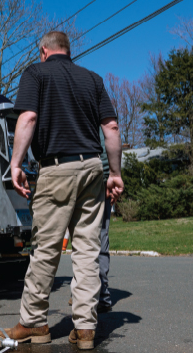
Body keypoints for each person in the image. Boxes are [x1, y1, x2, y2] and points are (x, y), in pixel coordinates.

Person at [3, 31, 123, 350]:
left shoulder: (36, 72)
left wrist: (15, 163)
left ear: (43, 51)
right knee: (86, 249)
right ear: (67, 51)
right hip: (91, 168)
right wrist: (115, 172)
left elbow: (27, 116)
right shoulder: (92, 78)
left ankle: (34, 323)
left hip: (56, 169)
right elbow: (111, 127)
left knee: (46, 247)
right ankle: (85, 328)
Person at [68, 128, 114, 313]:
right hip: (100, 173)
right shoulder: (100, 102)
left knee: (82, 237)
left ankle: (92, 295)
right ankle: (99, 294)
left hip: (79, 173)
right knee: (99, 235)